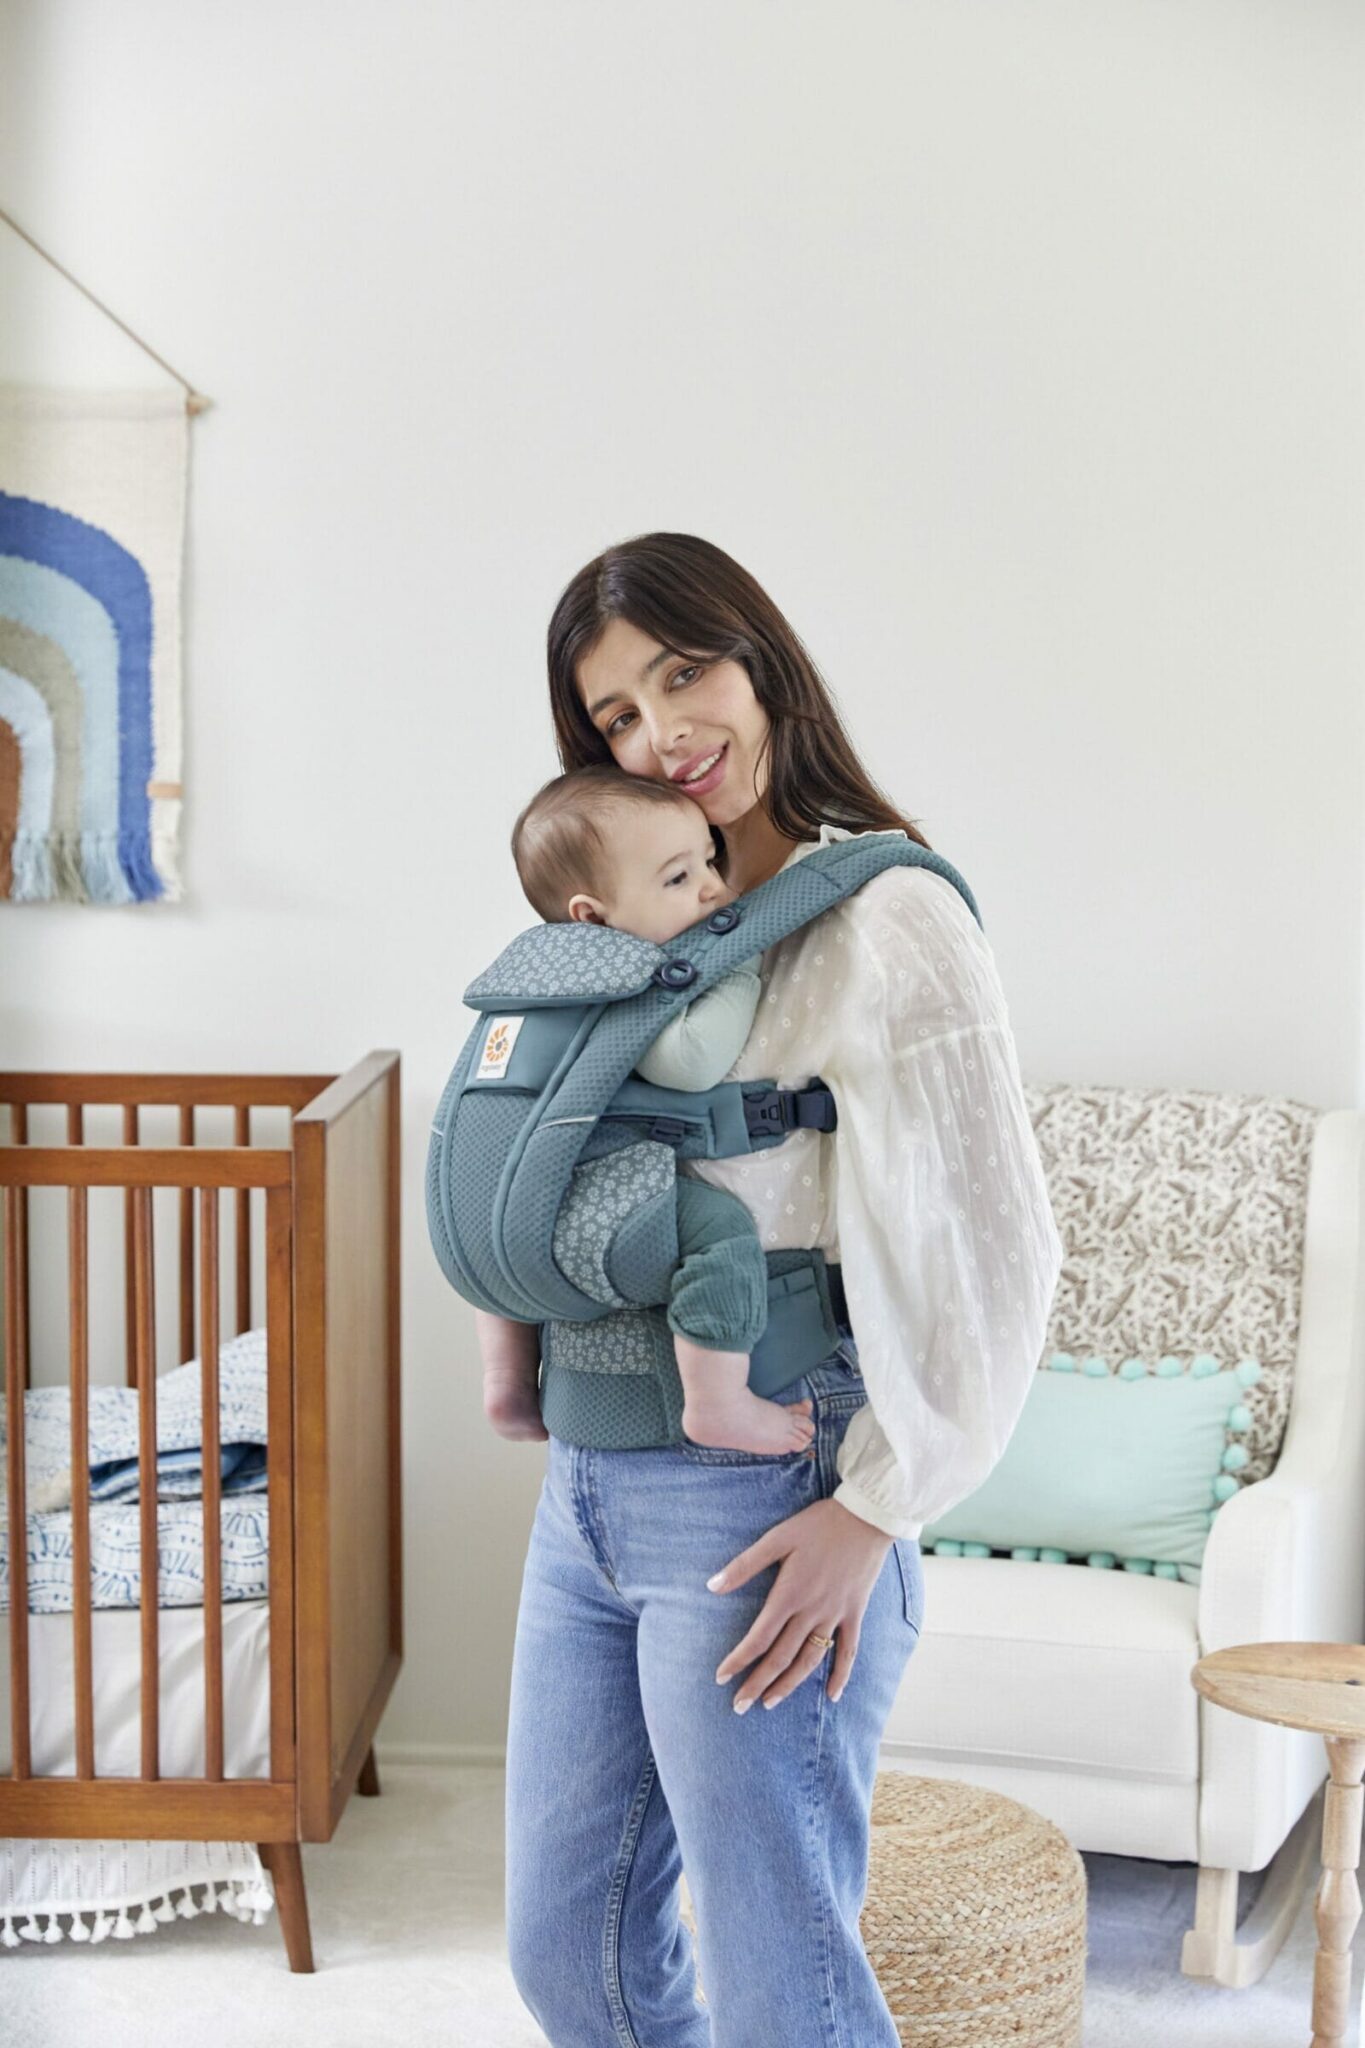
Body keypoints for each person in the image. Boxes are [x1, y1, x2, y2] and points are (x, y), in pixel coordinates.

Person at [498, 532, 1065, 2046]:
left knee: (779, 1988)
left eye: (685, 674)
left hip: (768, 1487)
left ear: (761, 662)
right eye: (617, 715)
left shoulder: (885, 914)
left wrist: (878, 1507)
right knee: (570, 1958)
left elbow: (998, 1246)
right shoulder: (624, 931)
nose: (663, 734)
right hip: (590, 1482)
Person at [476, 761, 817, 1457]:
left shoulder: (533, 974)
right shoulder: (622, 977)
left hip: (509, 1206)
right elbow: (687, 1062)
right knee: (718, 1232)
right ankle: (717, 1402)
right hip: (592, 1193)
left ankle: (505, 1379)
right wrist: (740, 967)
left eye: (708, 861)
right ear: (592, 917)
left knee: (502, 1231)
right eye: (677, 878)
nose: (714, 886)